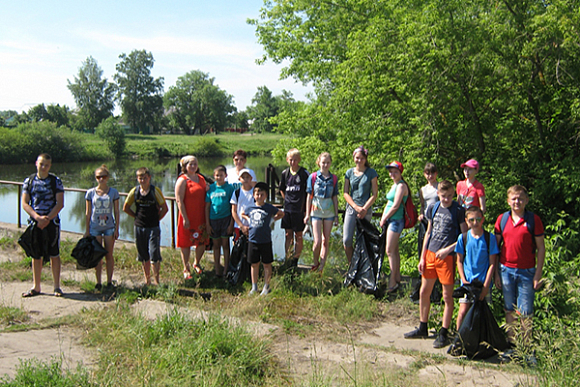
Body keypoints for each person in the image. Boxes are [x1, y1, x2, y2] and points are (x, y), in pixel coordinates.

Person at [404, 180, 467, 348]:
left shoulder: (458, 211)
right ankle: (423, 326)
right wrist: (423, 256)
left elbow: (464, 237)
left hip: (447, 258)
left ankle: (444, 331)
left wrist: (448, 250)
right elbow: (429, 232)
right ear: (438, 194)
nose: (446, 199)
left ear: (453, 194)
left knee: (447, 296)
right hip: (431, 254)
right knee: (425, 291)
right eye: (443, 196)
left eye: (449, 196)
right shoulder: (434, 208)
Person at [494, 185, 545, 355]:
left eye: (520, 198)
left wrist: (538, 274)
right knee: (509, 309)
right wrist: (496, 274)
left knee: (525, 311)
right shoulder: (502, 219)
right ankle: (512, 345)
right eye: (514, 198)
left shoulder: (533, 220)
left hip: (526, 272)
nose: (517, 201)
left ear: (526, 200)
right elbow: (495, 248)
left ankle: (526, 348)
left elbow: (541, 248)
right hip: (506, 270)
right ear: (508, 201)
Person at [21, 153, 65, 297]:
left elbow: (60, 203)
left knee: (54, 254)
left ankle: (57, 287)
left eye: (46, 165)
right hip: (35, 222)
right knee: (36, 255)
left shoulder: (56, 181)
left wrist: (47, 218)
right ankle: (36, 286)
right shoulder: (29, 181)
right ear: (36, 163)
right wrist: (37, 217)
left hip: (52, 223)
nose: (44, 167)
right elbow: (25, 203)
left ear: (50, 166)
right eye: (41, 164)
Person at [455, 206, 499, 329]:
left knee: (482, 314)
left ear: (483, 219)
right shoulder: (463, 238)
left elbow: (492, 264)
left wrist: (486, 286)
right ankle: (459, 339)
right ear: (466, 221)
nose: (475, 223)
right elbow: (459, 261)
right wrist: (463, 280)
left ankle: (480, 341)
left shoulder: (489, 238)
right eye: (471, 220)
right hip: (467, 283)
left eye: (478, 219)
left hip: (483, 282)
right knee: (463, 311)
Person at [123, 167, 168, 286]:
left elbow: (165, 208)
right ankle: (147, 280)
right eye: (140, 178)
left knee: (154, 253)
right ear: (137, 179)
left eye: (145, 178)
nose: (142, 181)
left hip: (153, 227)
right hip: (139, 226)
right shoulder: (134, 191)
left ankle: (157, 281)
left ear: (149, 178)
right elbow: (125, 208)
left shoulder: (155, 191)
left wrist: (157, 219)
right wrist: (136, 217)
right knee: (143, 254)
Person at [242, 182, 284, 295]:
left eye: (262, 194)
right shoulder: (250, 207)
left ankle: (267, 286)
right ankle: (254, 287)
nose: (259, 196)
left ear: (265, 196)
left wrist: (273, 220)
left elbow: (281, 214)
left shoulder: (269, 207)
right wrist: (248, 220)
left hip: (265, 240)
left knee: (267, 264)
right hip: (253, 240)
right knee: (254, 264)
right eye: (257, 194)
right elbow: (242, 213)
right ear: (254, 195)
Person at [84, 165, 120, 290]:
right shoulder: (90, 193)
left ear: (108, 177)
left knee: (109, 255)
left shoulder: (113, 192)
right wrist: (87, 230)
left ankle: (109, 281)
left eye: (103, 177)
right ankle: (98, 282)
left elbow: (116, 211)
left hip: (109, 227)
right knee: (97, 256)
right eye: (98, 177)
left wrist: (117, 228)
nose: (101, 179)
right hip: (95, 227)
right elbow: (88, 213)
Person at [304, 152, 339, 272]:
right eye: (323, 162)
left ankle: (322, 266)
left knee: (326, 239)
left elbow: (335, 197)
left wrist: (336, 215)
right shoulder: (313, 177)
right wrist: (307, 214)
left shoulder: (334, 178)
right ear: (319, 162)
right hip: (316, 210)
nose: (325, 165)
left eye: (328, 162)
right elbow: (309, 196)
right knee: (317, 240)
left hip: (329, 211)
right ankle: (315, 262)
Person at [343, 145, 378, 264]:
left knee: (361, 241)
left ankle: (362, 268)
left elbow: (374, 194)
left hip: (365, 210)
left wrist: (364, 208)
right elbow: (345, 193)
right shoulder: (349, 172)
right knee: (347, 240)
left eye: (362, 158)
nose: (359, 160)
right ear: (354, 158)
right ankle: (351, 266)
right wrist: (355, 207)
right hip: (352, 208)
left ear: (366, 159)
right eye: (357, 158)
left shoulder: (371, 173)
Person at [175, 155, 209, 279]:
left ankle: (197, 263)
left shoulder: (201, 178)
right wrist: (185, 217)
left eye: (195, 164)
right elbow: (179, 200)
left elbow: (206, 193)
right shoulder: (182, 180)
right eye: (191, 164)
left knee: (201, 241)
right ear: (185, 166)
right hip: (188, 216)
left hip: (200, 216)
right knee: (186, 243)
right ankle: (186, 267)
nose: (194, 166)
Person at [379, 161, 408, 292]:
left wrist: (385, 217)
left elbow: (396, 205)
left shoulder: (401, 186)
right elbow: (389, 202)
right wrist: (383, 217)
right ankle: (397, 278)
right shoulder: (394, 185)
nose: (392, 174)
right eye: (391, 171)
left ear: (400, 172)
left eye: (395, 171)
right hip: (390, 220)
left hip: (396, 221)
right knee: (394, 251)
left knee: (389, 251)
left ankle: (392, 282)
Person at [279, 148, 309, 267]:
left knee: (299, 235)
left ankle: (295, 260)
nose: (293, 162)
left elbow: (309, 191)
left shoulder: (304, 173)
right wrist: (286, 199)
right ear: (287, 160)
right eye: (291, 160)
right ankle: (288, 258)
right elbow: (281, 188)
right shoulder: (285, 173)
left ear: (299, 160)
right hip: (287, 209)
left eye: (295, 160)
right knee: (288, 234)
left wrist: (306, 208)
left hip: (299, 210)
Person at [205, 165, 236, 277]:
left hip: (226, 219)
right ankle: (217, 269)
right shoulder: (211, 188)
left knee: (225, 245)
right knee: (216, 245)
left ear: (225, 176)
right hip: (214, 220)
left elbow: (233, 206)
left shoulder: (229, 188)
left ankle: (226, 269)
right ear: (214, 176)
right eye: (217, 175)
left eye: (221, 175)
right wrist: (207, 224)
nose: (219, 177)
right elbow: (207, 207)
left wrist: (231, 223)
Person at [418, 162, 439, 259]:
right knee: (423, 243)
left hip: (437, 219)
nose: (430, 176)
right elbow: (422, 205)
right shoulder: (423, 189)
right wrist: (421, 214)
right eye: (428, 173)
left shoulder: (439, 187)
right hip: (426, 219)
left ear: (436, 174)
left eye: (432, 173)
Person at [230, 169, 255, 240]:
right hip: (238, 226)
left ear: (251, 178)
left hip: (253, 226)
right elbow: (234, 211)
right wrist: (241, 226)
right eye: (243, 177)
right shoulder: (236, 193)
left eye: (248, 177)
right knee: (238, 247)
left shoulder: (256, 192)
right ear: (239, 179)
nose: (245, 179)